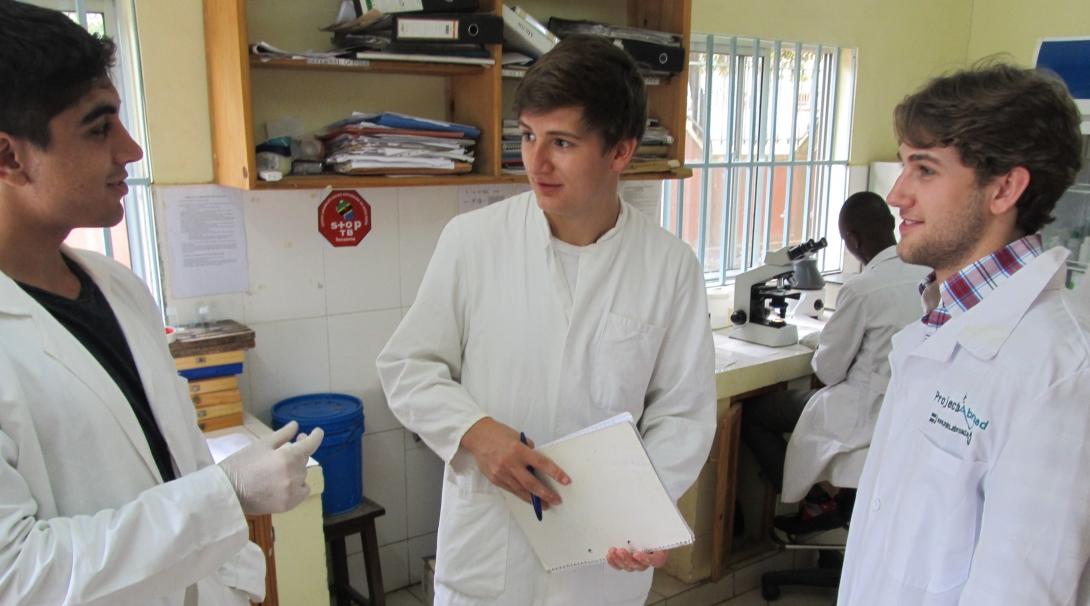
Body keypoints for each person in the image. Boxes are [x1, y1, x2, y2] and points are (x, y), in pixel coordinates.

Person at [0, 2, 322, 604]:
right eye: (99, 128)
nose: (131, 149)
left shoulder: (117, 287)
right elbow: (17, 577)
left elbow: (179, 462)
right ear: (10, 157)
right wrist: (228, 497)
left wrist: (238, 579)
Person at [376, 35, 715, 605]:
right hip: (489, 555)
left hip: (599, 562)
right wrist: (476, 435)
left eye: (561, 142)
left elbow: (682, 413)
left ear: (620, 152)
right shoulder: (473, 242)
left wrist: (641, 511)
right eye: (528, 136)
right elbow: (408, 366)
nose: (535, 161)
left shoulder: (669, 268)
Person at [838, 63, 1090, 605]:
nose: (898, 195)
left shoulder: (1059, 374)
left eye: (924, 170)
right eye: (904, 167)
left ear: (1004, 188)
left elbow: (1020, 594)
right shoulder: (938, 319)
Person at [739, 192, 927, 536]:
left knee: (755, 414)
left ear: (852, 239)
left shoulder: (863, 288)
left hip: (861, 413)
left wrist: (817, 344)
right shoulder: (927, 274)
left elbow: (828, 371)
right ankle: (832, 503)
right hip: (904, 417)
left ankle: (816, 503)